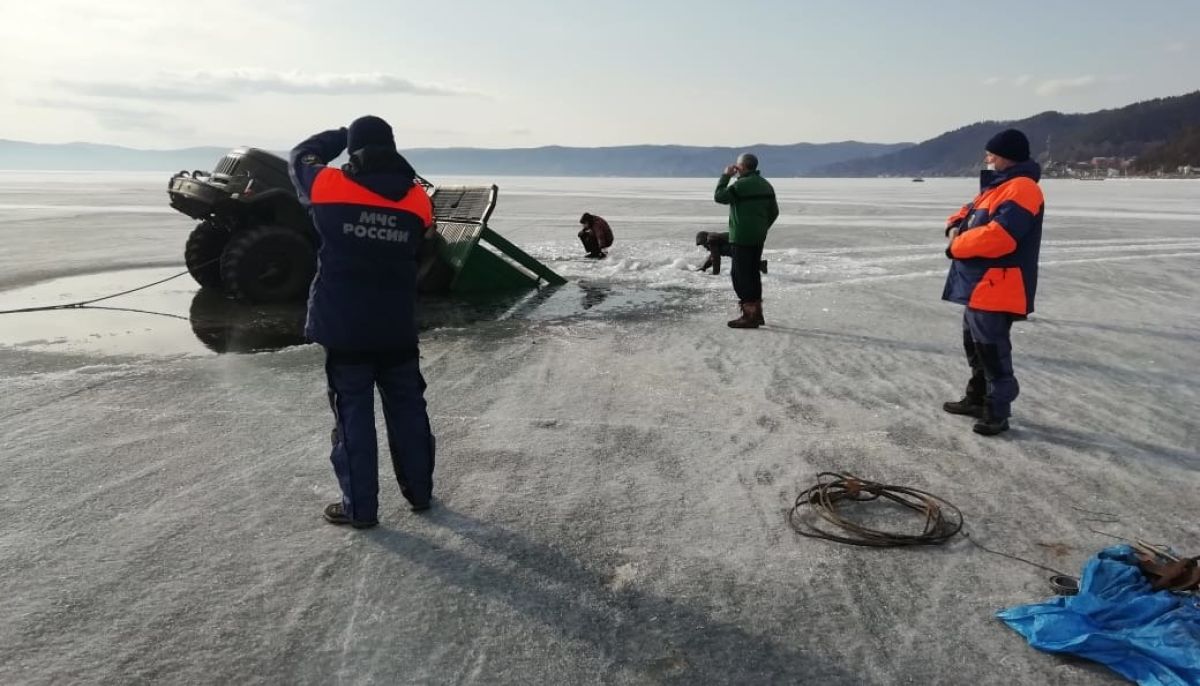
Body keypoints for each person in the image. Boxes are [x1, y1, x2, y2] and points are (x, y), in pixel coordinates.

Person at [289, 115, 437, 528]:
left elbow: (300, 155)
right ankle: (420, 493)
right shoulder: (418, 200)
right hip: (397, 326)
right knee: (408, 410)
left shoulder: (328, 186)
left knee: (353, 415)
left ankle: (361, 508)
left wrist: (339, 137)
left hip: (344, 326)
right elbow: (423, 246)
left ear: (354, 149)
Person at [942, 128, 1044, 436]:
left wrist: (956, 245)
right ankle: (977, 398)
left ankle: (997, 411)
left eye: (992, 155)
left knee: (992, 352)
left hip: (997, 285)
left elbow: (1001, 237)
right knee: (974, 347)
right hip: (977, 285)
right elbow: (966, 213)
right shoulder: (997, 187)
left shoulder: (1023, 189)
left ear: (1006, 157)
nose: (987, 159)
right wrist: (953, 226)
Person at [713, 153, 779, 328]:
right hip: (757, 237)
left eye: (737, 166)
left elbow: (719, 196)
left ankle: (750, 316)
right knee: (752, 274)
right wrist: (761, 228)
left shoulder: (740, 185)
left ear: (741, 167)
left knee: (741, 276)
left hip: (741, 237)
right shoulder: (766, 185)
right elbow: (774, 212)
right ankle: (757, 314)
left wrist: (726, 175)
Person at [695, 230, 767, 276]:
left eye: (703, 244)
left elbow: (715, 258)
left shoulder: (711, 239)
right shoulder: (713, 238)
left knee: (725, 251)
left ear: (705, 239)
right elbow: (712, 257)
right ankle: (760, 265)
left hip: (740, 244)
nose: (704, 247)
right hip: (744, 243)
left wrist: (715, 274)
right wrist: (704, 267)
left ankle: (759, 265)